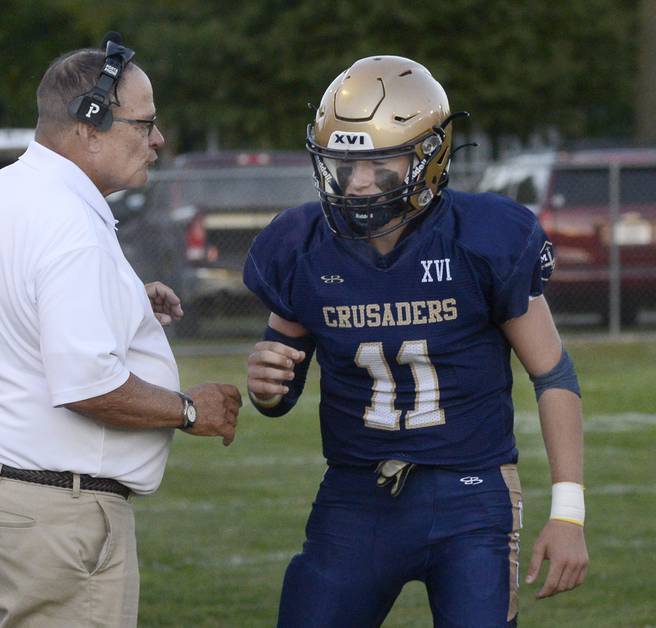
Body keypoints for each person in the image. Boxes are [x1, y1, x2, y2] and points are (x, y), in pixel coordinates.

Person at [244, 56, 588, 627]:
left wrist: (569, 512)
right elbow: (278, 393)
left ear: (428, 157)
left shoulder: (483, 237)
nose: (355, 183)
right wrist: (264, 383)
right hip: (355, 495)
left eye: (377, 163)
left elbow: (552, 374)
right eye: (342, 163)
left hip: (471, 494)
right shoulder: (302, 244)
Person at [0, 34, 241, 627]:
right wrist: (190, 410)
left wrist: (120, 299)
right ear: (89, 126)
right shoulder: (68, 219)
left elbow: (3, 315)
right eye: (144, 124)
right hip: (44, 512)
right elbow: (87, 385)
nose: (158, 140)